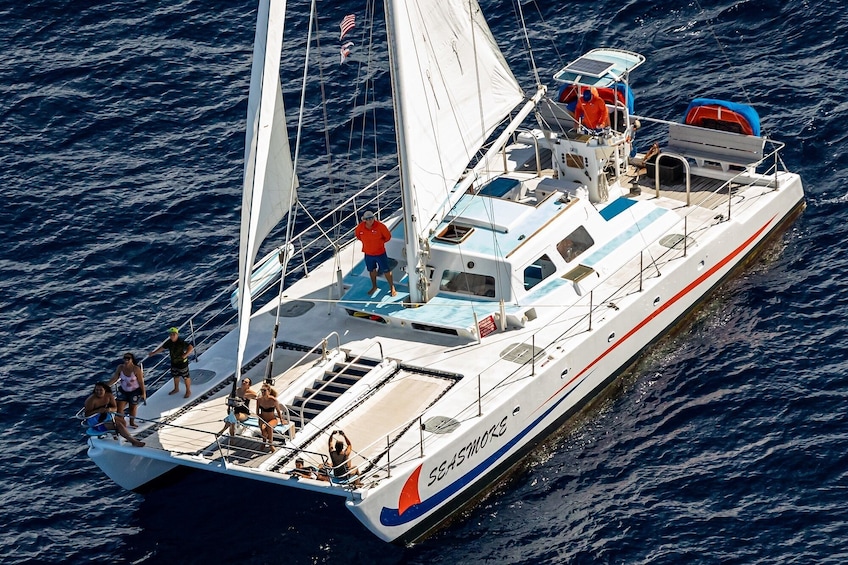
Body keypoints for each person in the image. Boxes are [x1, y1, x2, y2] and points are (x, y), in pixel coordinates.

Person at [84, 382, 145, 447]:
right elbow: (87, 414)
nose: (98, 392)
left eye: (100, 390)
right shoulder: (91, 400)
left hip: (106, 415)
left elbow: (115, 408)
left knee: (123, 423)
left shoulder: (109, 396)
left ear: (105, 390)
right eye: (96, 390)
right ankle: (133, 441)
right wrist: (97, 411)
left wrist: (109, 409)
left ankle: (116, 435)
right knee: (118, 425)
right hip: (96, 421)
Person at [354, 211, 396, 297]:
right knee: (371, 270)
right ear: (364, 220)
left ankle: (392, 287)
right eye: (367, 219)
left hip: (380, 253)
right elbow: (358, 236)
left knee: (386, 270)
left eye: (371, 218)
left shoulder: (380, 226)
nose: (370, 220)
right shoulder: (360, 227)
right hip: (368, 254)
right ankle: (374, 286)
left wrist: (380, 243)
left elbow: (387, 237)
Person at [149, 327, 194, 398]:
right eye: (171, 334)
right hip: (174, 362)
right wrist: (154, 353)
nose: (172, 336)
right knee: (175, 376)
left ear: (177, 334)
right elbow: (162, 348)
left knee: (185, 377)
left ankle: (188, 391)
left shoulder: (181, 342)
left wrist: (185, 355)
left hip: (182, 363)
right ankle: (176, 389)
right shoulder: (169, 342)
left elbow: (190, 347)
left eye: (174, 334)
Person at [108, 352, 146, 428]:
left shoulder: (136, 369)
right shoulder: (120, 367)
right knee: (119, 408)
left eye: (128, 358)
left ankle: (132, 422)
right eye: (125, 358)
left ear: (132, 360)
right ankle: (122, 423)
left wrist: (143, 393)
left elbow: (141, 382)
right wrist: (106, 385)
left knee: (132, 407)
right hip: (124, 391)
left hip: (134, 391)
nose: (126, 360)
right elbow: (115, 378)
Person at [255, 384, 295, 451]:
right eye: (262, 390)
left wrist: (281, 420)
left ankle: (270, 443)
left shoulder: (274, 400)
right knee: (264, 431)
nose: (263, 392)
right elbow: (257, 412)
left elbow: (278, 412)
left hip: (272, 419)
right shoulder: (259, 400)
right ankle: (264, 442)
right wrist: (260, 418)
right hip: (263, 418)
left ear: (269, 391)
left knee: (269, 426)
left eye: (264, 390)